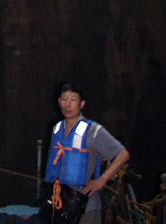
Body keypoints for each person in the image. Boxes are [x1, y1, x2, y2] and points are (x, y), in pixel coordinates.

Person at [45, 82, 130, 223]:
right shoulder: (57, 129)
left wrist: (101, 181)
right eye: (64, 99)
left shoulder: (93, 131)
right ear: (59, 102)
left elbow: (123, 155)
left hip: (85, 207)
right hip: (60, 204)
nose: (68, 105)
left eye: (73, 100)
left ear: (82, 104)